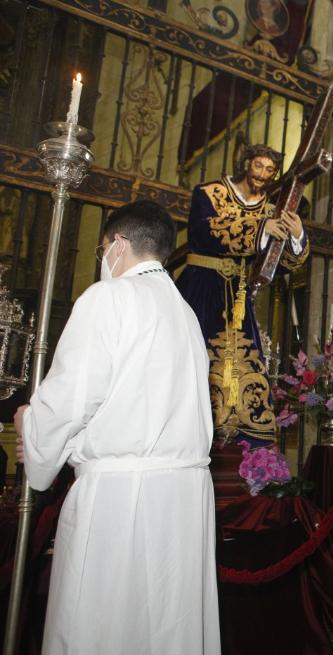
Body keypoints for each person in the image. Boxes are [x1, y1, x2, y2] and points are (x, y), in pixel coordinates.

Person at [15, 200, 220, 654]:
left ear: (119, 244)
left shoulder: (107, 298)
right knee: (166, 628)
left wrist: (31, 423)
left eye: (102, 248)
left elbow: (72, 395)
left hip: (119, 498)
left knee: (99, 626)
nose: (103, 258)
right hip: (182, 499)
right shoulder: (185, 314)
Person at [176, 143, 308, 449]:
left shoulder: (272, 210)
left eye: (270, 170)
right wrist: (261, 230)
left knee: (244, 365)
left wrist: (298, 235)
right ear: (245, 163)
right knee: (192, 357)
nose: (263, 174)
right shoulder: (209, 193)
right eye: (258, 166)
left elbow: (282, 263)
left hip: (237, 295)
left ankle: (240, 441)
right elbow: (204, 232)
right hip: (201, 286)